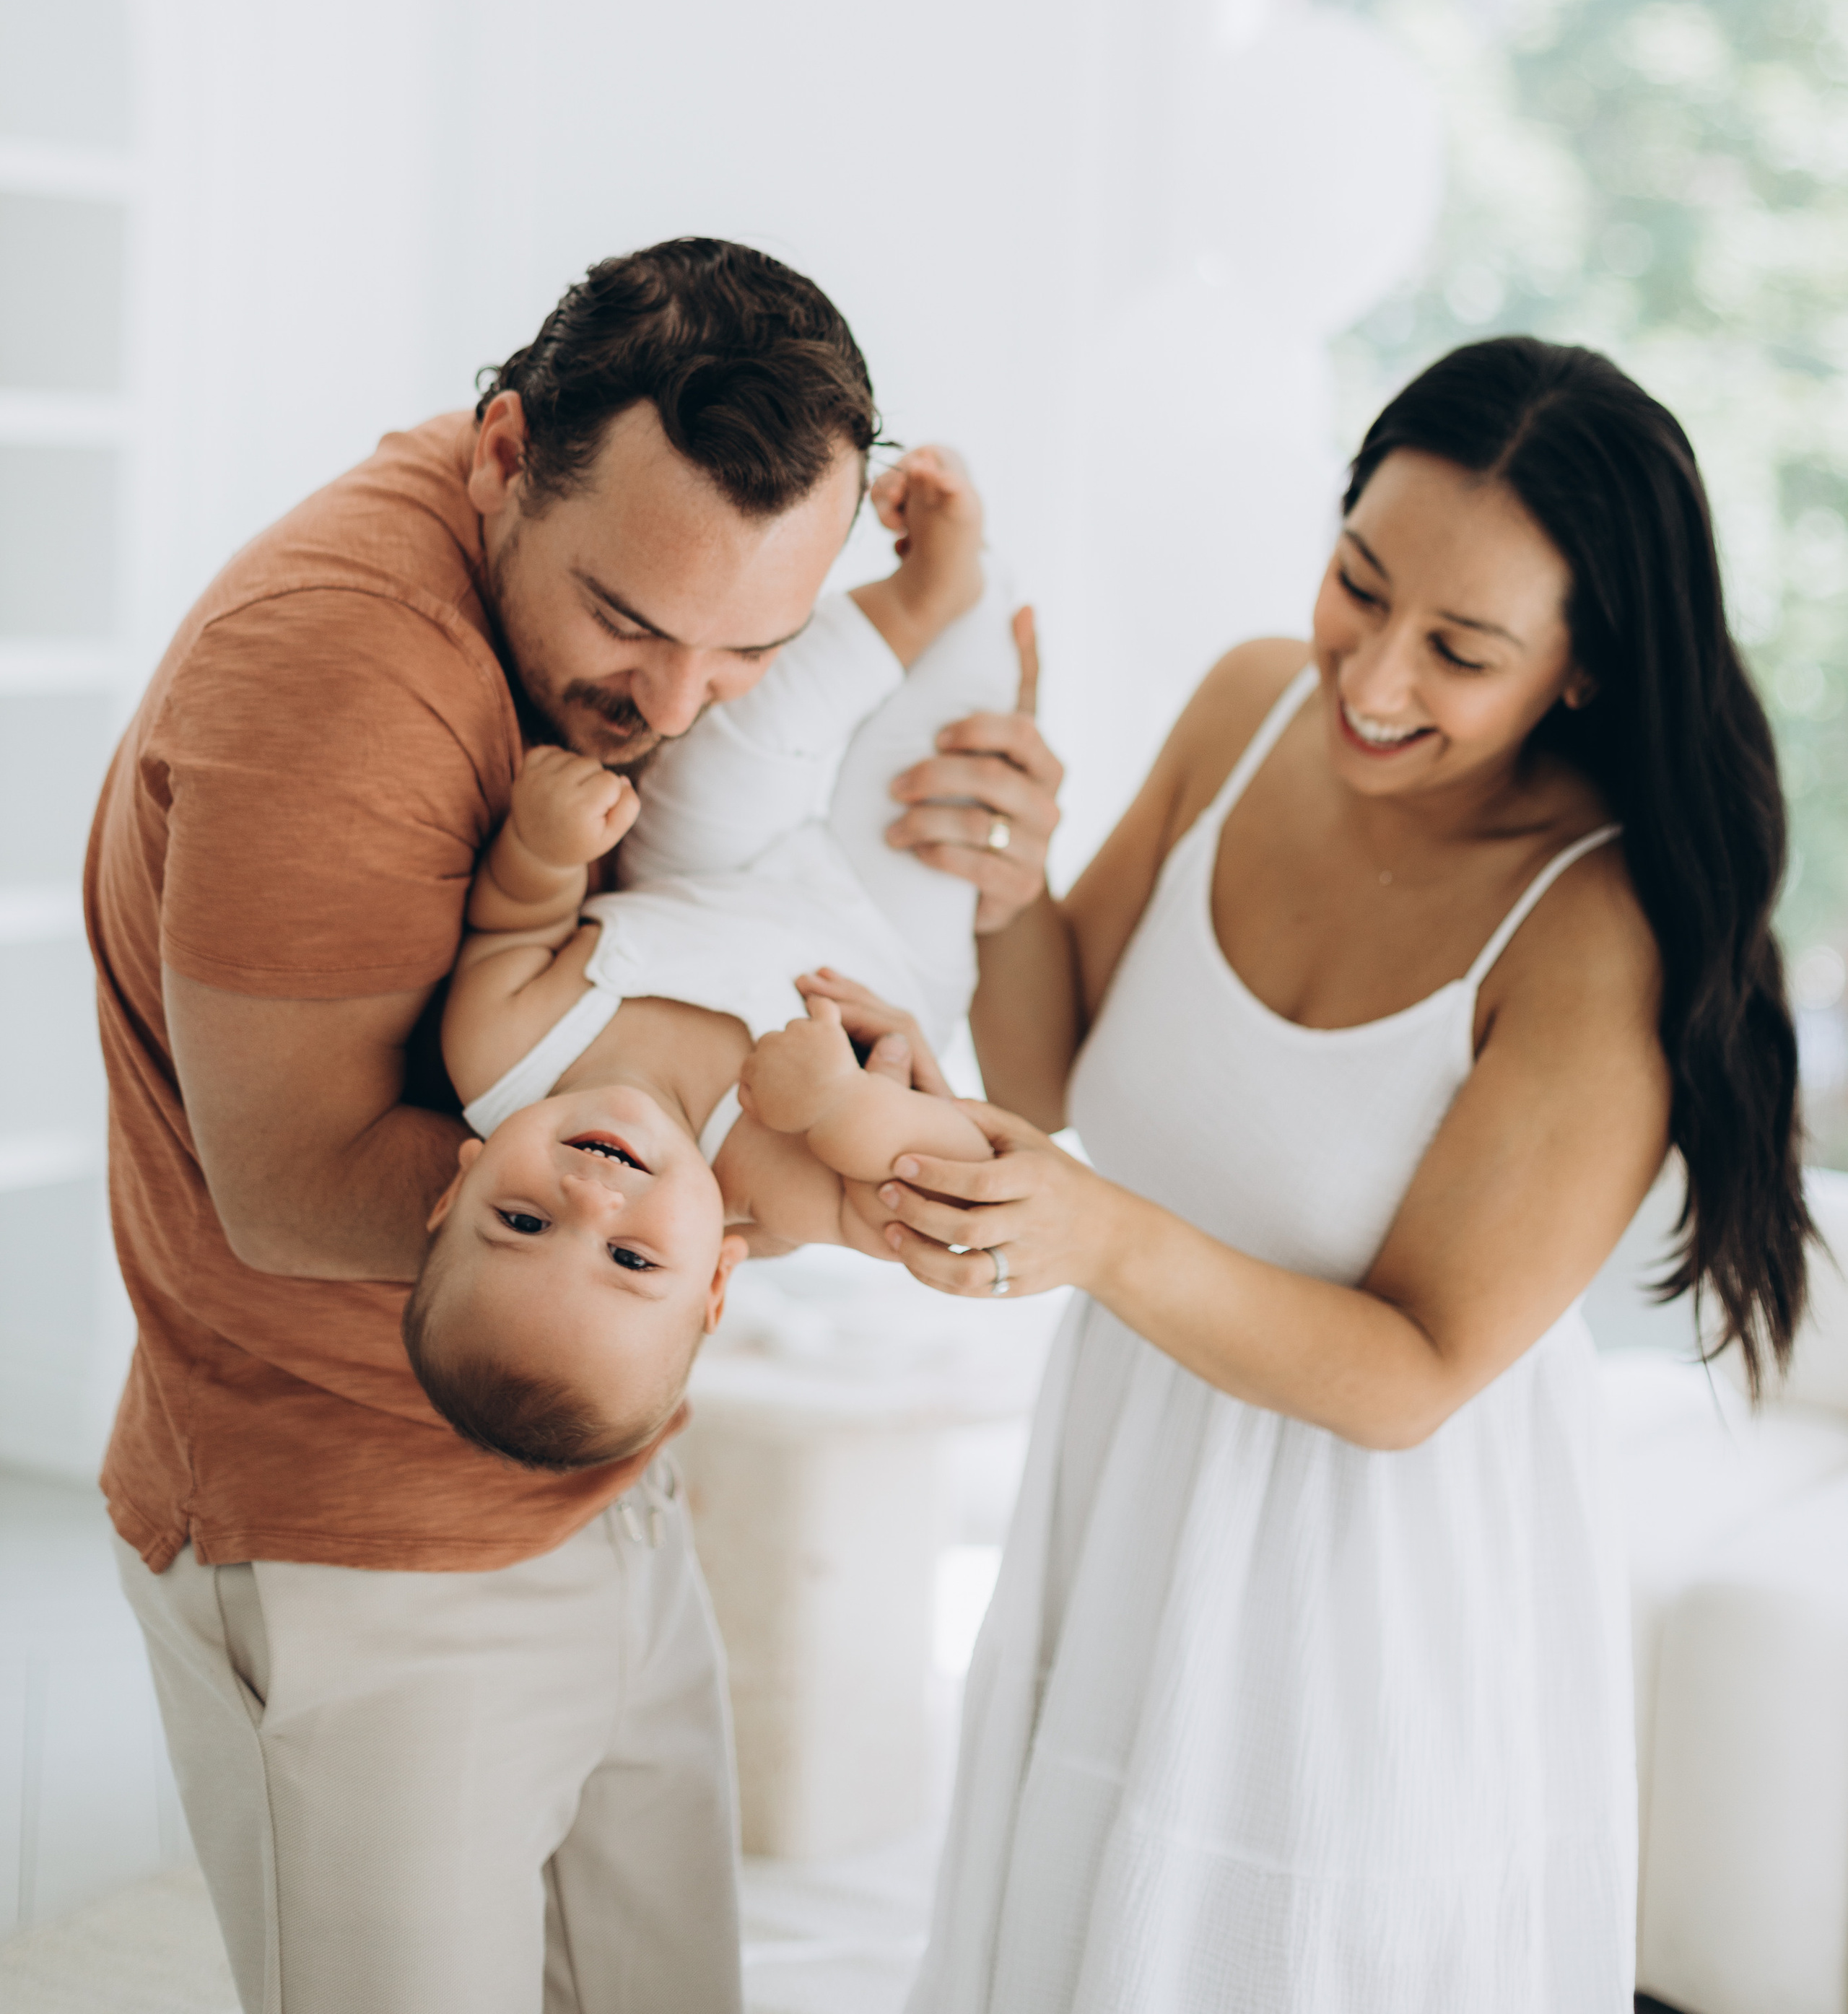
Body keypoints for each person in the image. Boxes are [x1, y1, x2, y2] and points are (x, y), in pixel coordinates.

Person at [86, 237, 1060, 2014]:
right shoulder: (343, 675)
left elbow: (754, 842)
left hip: (602, 1485)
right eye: (626, 623)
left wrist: (965, 820)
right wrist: (736, 1191)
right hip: (356, 1543)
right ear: (501, 451)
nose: (677, 703)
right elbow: (297, 1188)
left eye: (749, 643)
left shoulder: (645, 626)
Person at [861, 337, 1810, 2014]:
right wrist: (1005, 882)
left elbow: (1410, 1374)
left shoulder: (1595, 934)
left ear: (1578, 670)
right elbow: (1045, 1070)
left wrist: (1093, 1236)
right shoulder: (1244, 707)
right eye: (1354, 585)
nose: (1368, 674)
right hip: (1130, 1487)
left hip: (1369, 1584)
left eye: (1459, 649)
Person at [405, 444, 1014, 1465]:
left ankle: (918, 594)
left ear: (452, 1191)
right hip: (883, 941)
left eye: (519, 1221)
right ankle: (975, 601)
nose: (591, 1203)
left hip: (708, 872)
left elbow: (513, 925)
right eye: (633, 1258)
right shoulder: (768, 1185)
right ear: (718, 1279)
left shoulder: (504, 1052)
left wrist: (544, 851)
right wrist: (840, 1107)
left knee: (732, 746)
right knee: (950, 749)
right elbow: (945, 1188)